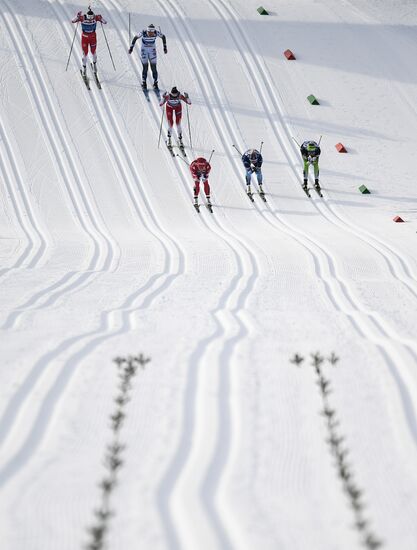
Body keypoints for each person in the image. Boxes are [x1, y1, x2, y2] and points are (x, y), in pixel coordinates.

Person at [128, 24, 167, 89]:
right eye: (149, 32)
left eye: (152, 33)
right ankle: (144, 83)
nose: (150, 34)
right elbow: (135, 38)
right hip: (144, 50)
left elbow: (163, 37)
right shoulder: (143, 32)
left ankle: (155, 83)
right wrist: (131, 48)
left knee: (153, 68)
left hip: (152, 50)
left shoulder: (156, 32)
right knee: (145, 67)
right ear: (147, 31)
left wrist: (165, 47)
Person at [72, 8, 107, 76]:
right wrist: (77, 16)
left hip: (93, 38)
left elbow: (105, 22)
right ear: (87, 16)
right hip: (85, 38)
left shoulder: (95, 17)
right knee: (85, 53)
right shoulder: (82, 18)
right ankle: (84, 69)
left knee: (93, 52)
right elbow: (73, 21)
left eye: (92, 17)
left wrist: (101, 18)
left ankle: (94, 65)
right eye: (89, 17)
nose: (91, 19)